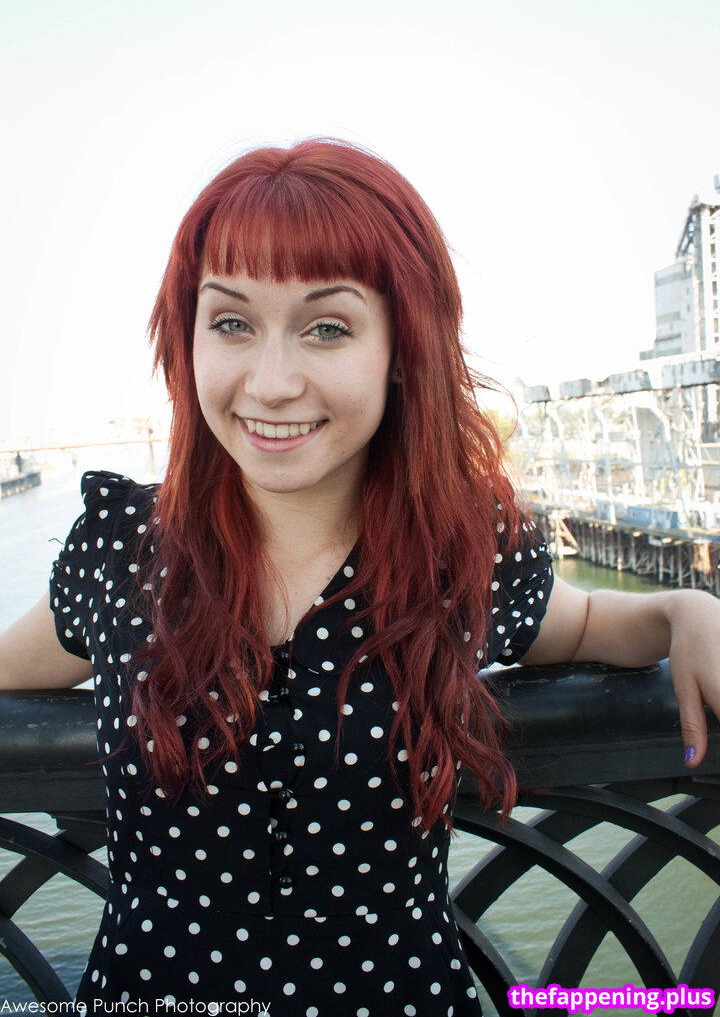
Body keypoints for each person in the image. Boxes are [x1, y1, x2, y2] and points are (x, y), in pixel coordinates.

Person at [1, 138, 719, 1015]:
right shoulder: (124, 551)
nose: (271, 383)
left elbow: (587, 626)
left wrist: (685, 611)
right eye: (231, 323)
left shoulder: (458, 555)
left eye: (327, 328)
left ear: (401, 349)